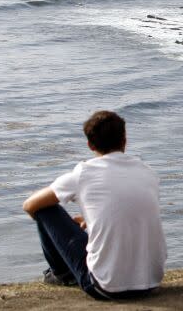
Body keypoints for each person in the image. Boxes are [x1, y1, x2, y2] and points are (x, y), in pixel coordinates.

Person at [21, 110, 166, 300]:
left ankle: (62, 274)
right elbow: (128, 212)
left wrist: (53, 229)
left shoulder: (84, 173)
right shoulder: (148, 173)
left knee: (46, 209)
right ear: (124, 140)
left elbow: (30, 205)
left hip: (105, 287)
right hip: (150, 282)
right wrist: (93, 222)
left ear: (90, 145)